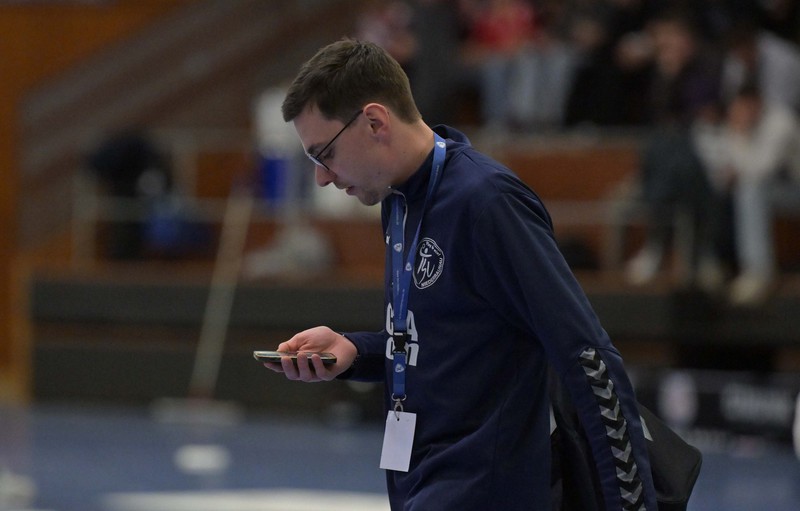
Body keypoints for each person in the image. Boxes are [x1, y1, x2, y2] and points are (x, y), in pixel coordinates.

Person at [264, 38, 657, 511]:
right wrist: (356, 351)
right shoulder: (397, 202)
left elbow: (587, 356)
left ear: (375, 122)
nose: (322, 177)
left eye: (323, 153)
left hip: (485, 489)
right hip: (421, 482)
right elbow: (445, 342)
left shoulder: (488, 203)